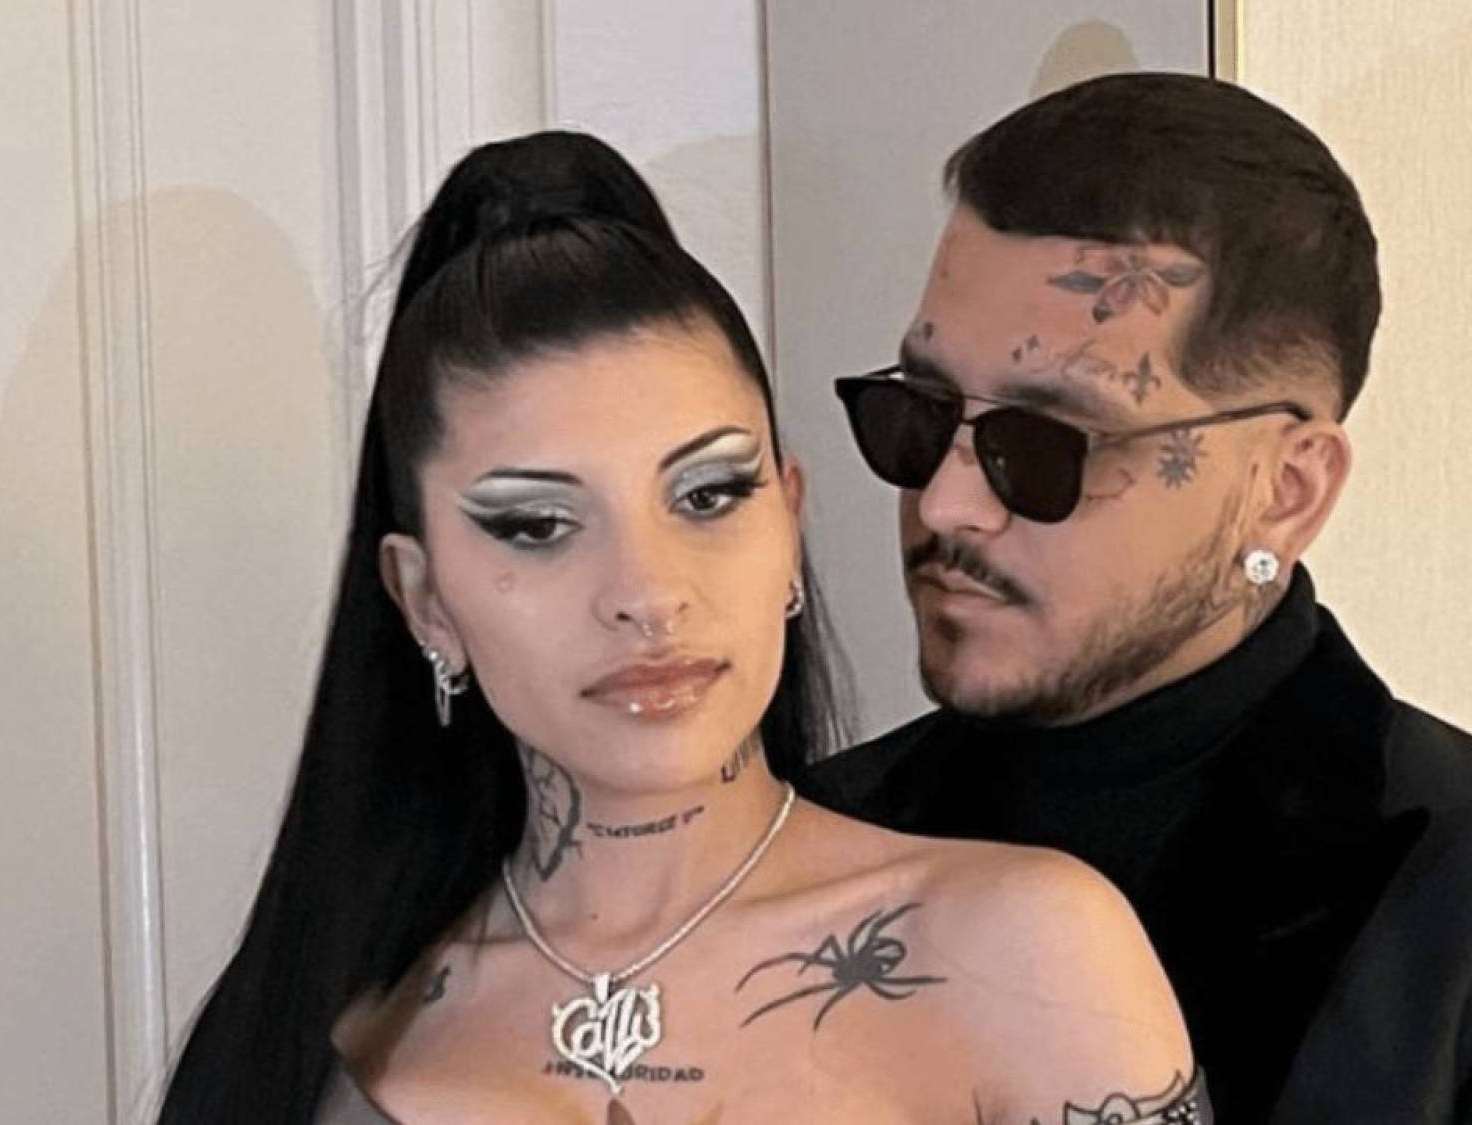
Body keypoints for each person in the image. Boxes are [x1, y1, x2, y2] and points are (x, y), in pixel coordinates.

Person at [157, 131, 1212, 1125]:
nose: (647, 592)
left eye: (707, 497)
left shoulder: (1025, 954)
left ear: (787, 522)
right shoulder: (329, 1030)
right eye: (538, 526)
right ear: (424, 597)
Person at [804, 72, 1472, 1123]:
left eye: (1048, 444)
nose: (946, 501)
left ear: (1284, 492)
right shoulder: (808, 838)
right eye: (922, 410)